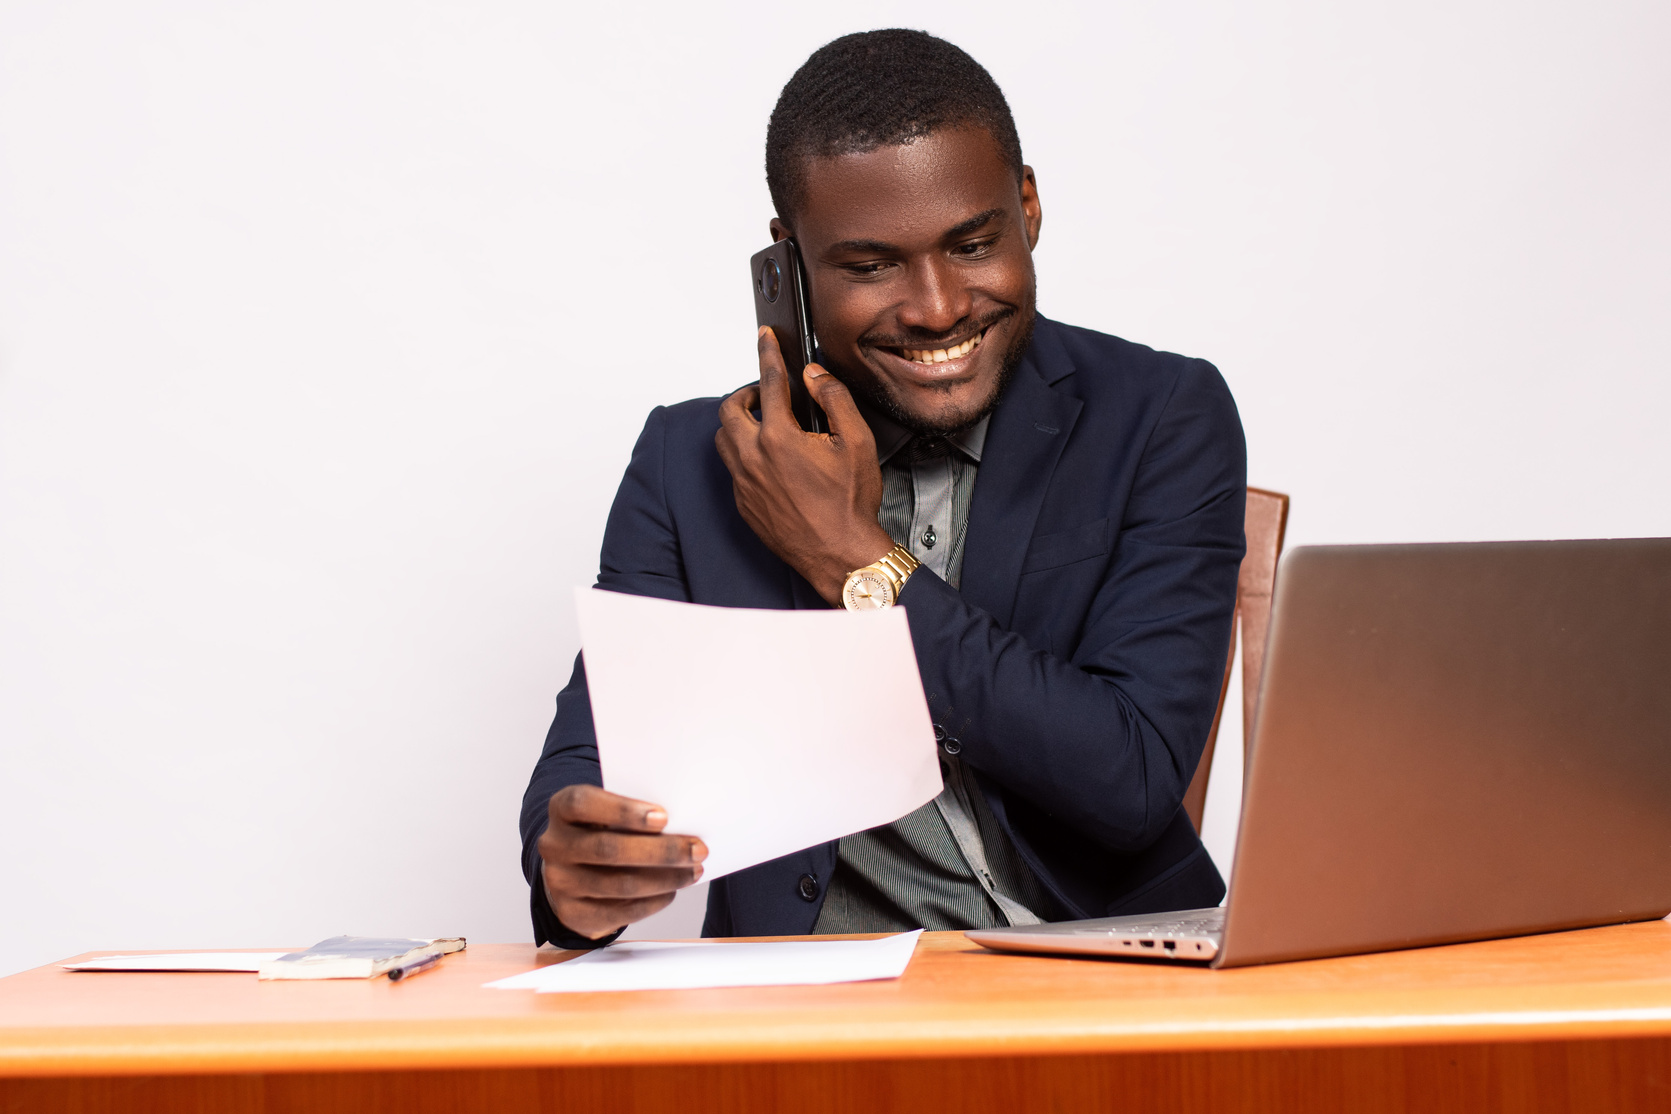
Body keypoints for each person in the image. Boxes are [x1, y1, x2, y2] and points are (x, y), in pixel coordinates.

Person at [520, 29, 1246, 948]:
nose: (939, 307)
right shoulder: (690, 461)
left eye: (973, 243)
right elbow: (593, 757)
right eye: (869, 266)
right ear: (787, 261)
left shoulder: (1159, 415)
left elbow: (1131, 780)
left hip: (1097, 983)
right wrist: (573, 867)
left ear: (1026, 207)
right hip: (811, 1013)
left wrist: (857, 560)